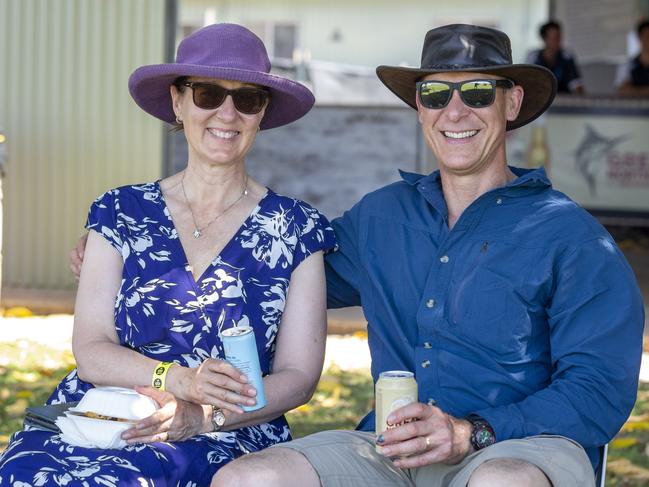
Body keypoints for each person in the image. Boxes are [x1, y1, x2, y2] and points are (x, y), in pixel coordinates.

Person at [69, 24, 644, 487]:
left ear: (512, 102)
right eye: (436, 93)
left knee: (501, 482)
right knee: (251, 478)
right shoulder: (381, 218)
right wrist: (128, 255)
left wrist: (474, 432)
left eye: (476, 91)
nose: (455, 111)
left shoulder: (571, 236)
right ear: (418, 108)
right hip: (390, 447)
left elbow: (599, 391)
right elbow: (268, 266)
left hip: (516, 449)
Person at [0, 23, 336, 486]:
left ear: (262, 113)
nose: (227, 112)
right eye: (208, 94)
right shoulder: (119, 211)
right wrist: (179, 381)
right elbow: (91, 351)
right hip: (105, 417)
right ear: (178, 102)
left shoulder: (297, 228)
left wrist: (204, 416)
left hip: (229, 430)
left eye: (248, 99)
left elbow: (298, 376)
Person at [526, 20, 584, 94]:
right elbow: (527, 82)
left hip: (563, 100)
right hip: (540, 99)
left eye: (558, 37)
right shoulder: (533, 56)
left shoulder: (567, 56)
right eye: (553, 38)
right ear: (544, 39)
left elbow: (576, 84)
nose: (557, 41)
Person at [616, 19, 649, 96]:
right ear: (639, 37)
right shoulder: (628, 65)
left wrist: (635, 90)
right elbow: (622, 91)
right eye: (647, 37)